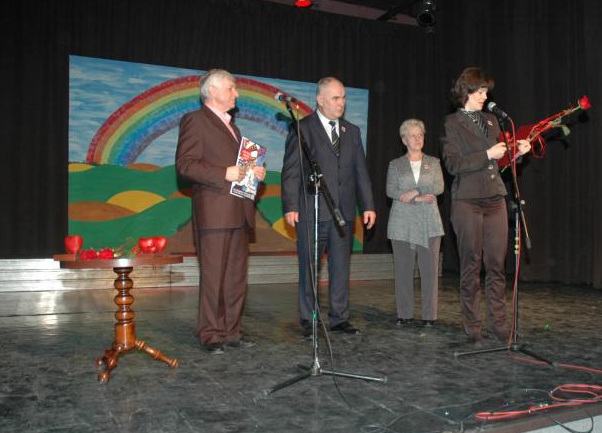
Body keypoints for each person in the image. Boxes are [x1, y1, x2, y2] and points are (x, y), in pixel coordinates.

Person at [176, 69, 266, 354]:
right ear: (212, 91)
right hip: (214, 213)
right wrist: (222, 173)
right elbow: (185, 165)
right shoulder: (195, 120)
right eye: (231, 88)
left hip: (239, 210)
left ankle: (231, 332)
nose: (236, 93)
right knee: (214, 276)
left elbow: (237, 169)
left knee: (235, 278)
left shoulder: (233, 128)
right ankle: (211, 334)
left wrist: (254, 173)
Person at [281, 77, 376, 338]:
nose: (341, 103)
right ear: (320, 100)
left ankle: (339, 318)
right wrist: (290, 205)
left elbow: (361, 172)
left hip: (343, 213)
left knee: (341, 267)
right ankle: (308, 318)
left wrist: (368, 205)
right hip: (311, 211)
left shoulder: (351, 131)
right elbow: (291, 171)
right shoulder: (302, 128)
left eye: (343, 97)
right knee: (310, 268)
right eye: (335, 98)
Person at [441, 67, 530, 344]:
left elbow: (499, 161)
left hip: (494, 198)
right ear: (466, 91)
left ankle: (499, 324)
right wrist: (487, 153)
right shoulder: (452, 123)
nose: (485, 96)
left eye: (486, 91)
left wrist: (516, 153)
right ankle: (472, 325)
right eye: (480, 91)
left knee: (496, 265)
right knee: (471, 264)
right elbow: (453, 164)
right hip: (467, 201)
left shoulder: (491, 120)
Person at [386, 119, 444, 327]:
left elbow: (438, 186)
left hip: (430, 223)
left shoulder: (434, 162)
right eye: (413, 135)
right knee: (403, 271)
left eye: (420, 135)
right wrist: (417, 198)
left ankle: (429, 316)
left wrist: (415, 191)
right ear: (404, 140)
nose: (418, 139)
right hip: (402, 223)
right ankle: (404, 314)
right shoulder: (395, 164)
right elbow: (391, 190)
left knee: (430, 272)